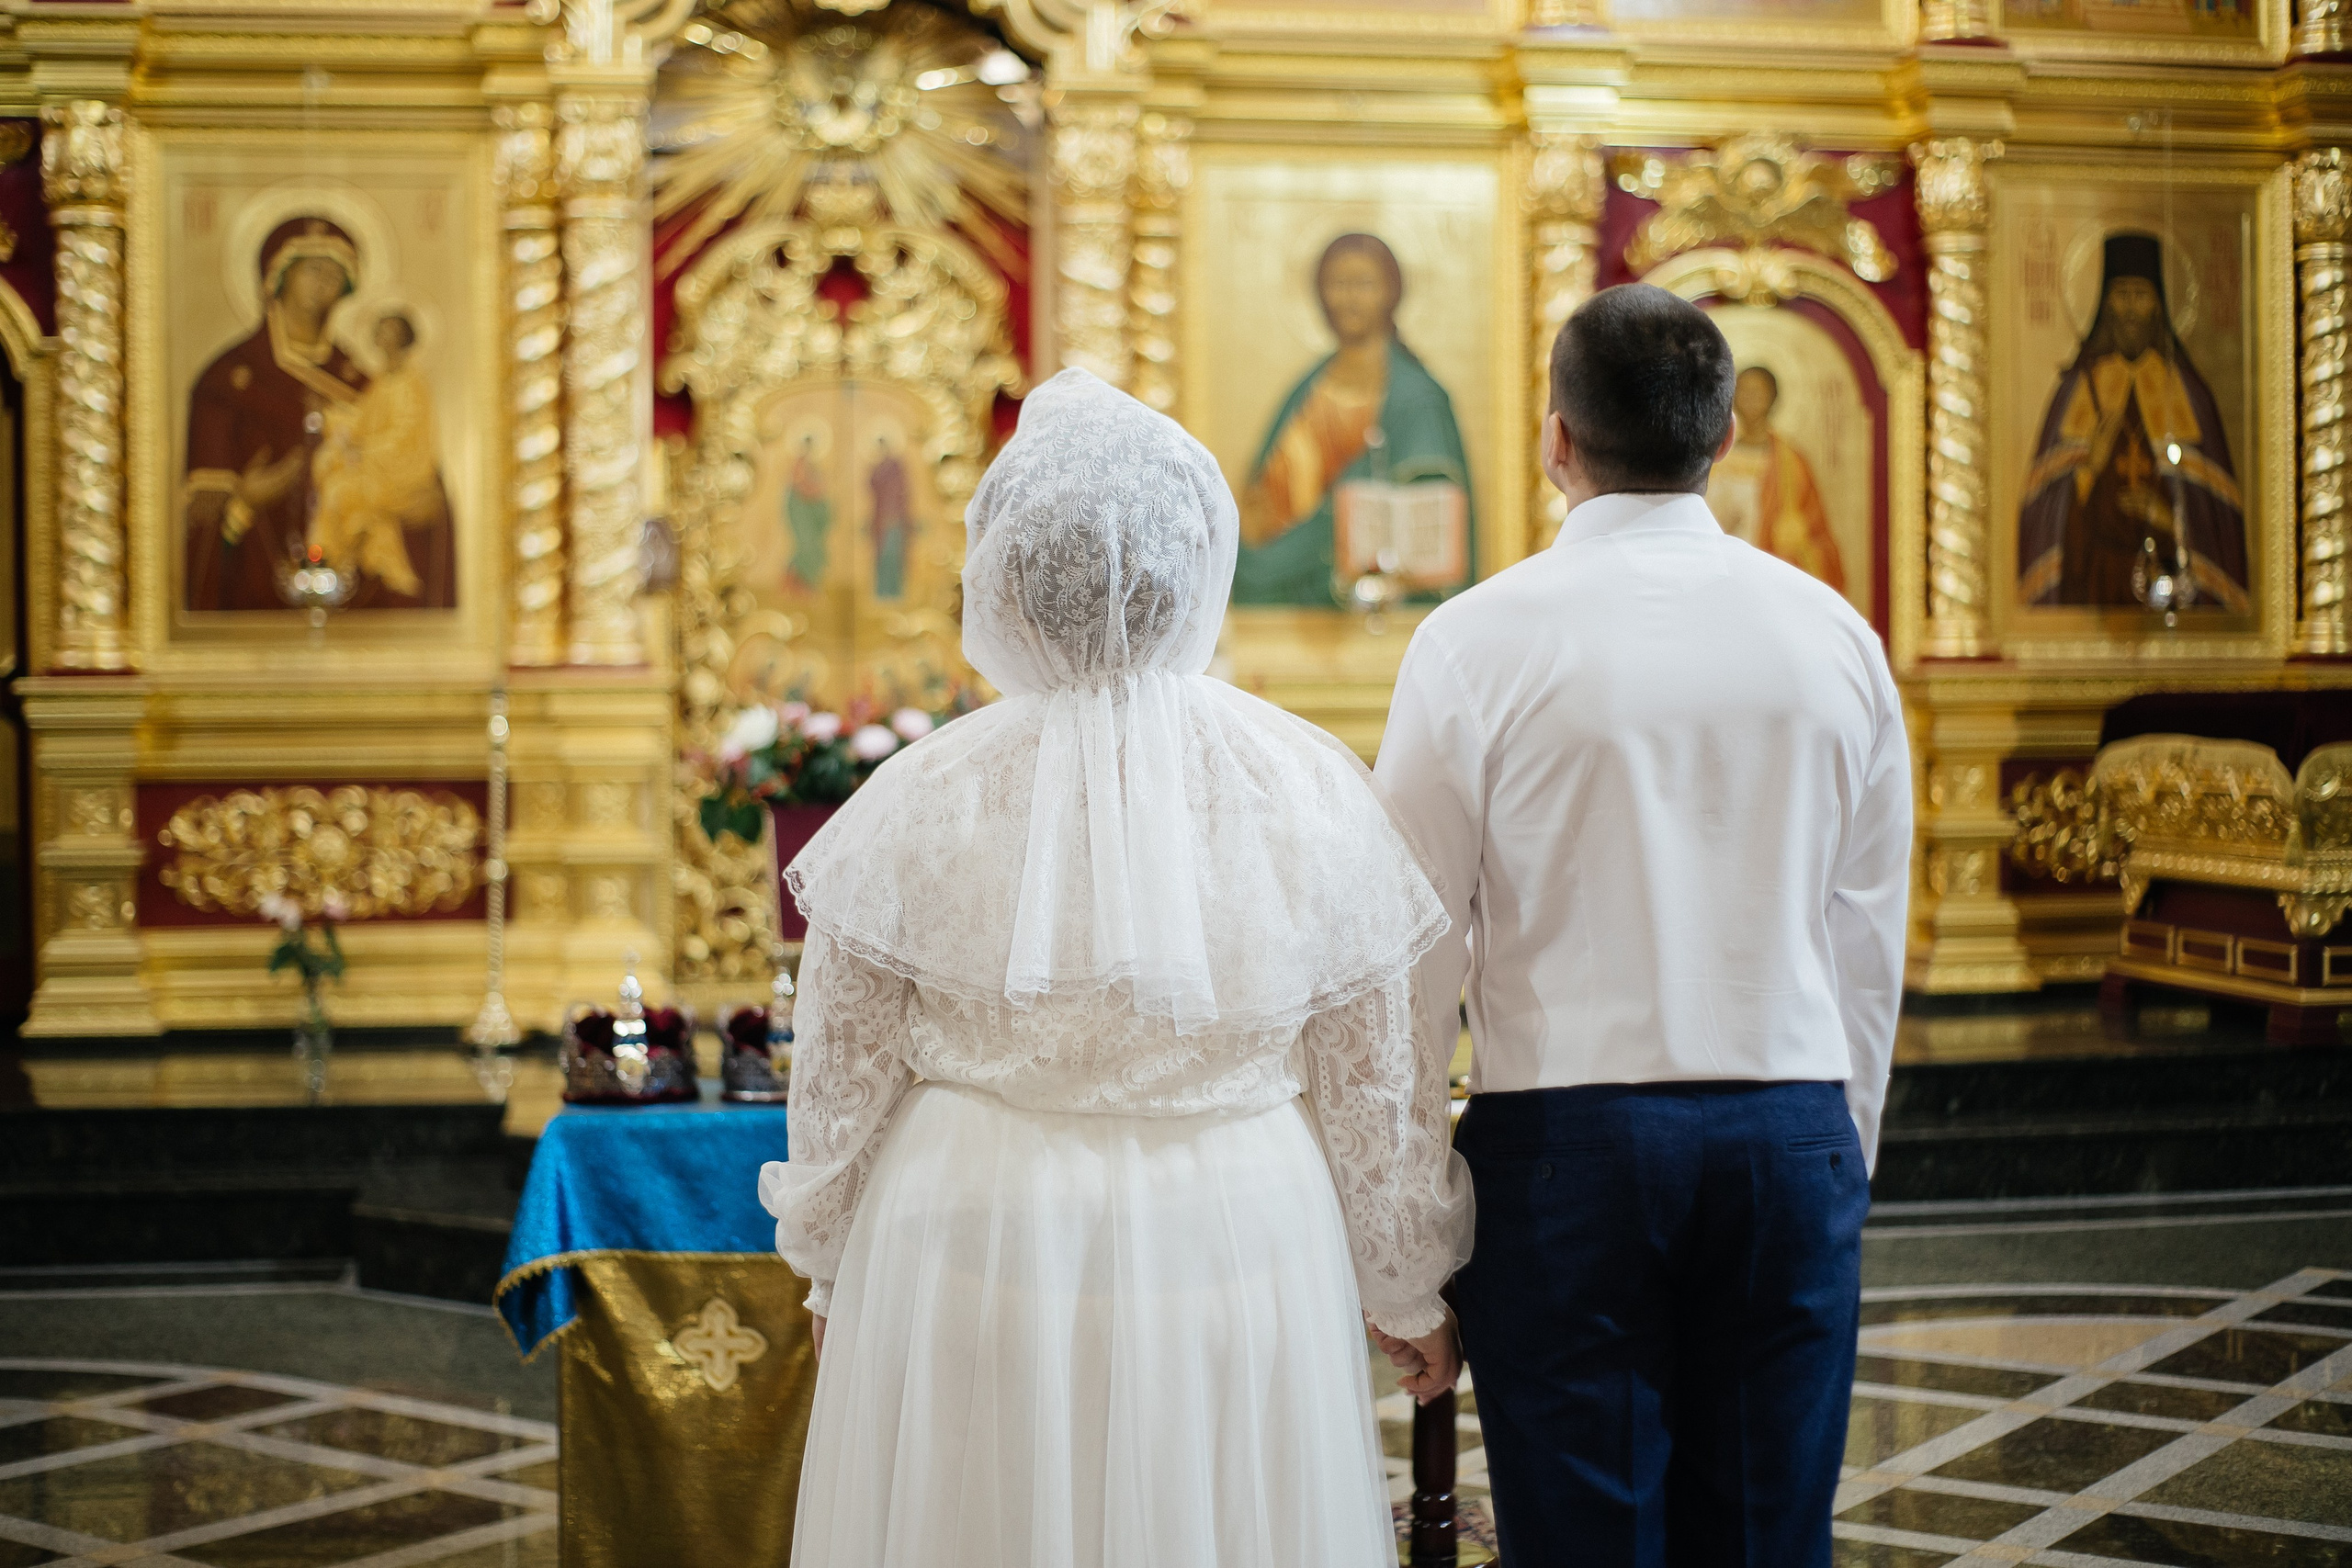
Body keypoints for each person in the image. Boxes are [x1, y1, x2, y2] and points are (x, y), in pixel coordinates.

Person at [761, 367, 1472, 1567]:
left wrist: (828, 1265)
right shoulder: (1303, 784)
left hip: (967, 1230)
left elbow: (837, 1074)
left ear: (1003, 580)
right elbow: (1371, 1079)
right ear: (1197, 568)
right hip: (1239, 1228)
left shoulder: (918, 793)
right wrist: (1405, 1289)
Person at [1374, 284, 1910, 1565]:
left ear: (1555, 438)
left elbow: (1412, 953)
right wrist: (1841, 1146)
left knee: (1586, 1538)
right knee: (1770, 1533)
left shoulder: (1473, 642)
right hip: (1790, 1124)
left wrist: (1406, 1242)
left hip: (1566, 1148)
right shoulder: (1835, 636)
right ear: (1723, 437)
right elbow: (1865, 934)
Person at [182, 216, 456, 612]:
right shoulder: (228, 380)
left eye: (334, 274)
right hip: (252, 591)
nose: (323, 283)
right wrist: (245, 501)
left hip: (359, 599)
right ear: (278, 276)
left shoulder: (361, 381)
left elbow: (416, 473)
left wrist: (415, 503)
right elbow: (198, 524)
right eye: (312, 269)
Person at [1235, 232, 1473, 606]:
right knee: (1249, 575)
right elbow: (1265, 495)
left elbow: (1433, 507)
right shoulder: (1312, 385)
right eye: (1337, 284)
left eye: (1364, 284)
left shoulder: (1417, 397)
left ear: (1391, 293)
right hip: (1298, 557)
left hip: (1380, 573)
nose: (1349, 299)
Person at [2018, 231, 2247, 611]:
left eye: (2141, 296)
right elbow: (2045, 516)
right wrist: (2089, 469)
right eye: (2121, 294)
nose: (2129, 309)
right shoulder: (2078, 388)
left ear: (2159, 306)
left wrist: (2166, 517)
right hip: (2094, 583)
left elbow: (2216, 520)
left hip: (2171, 590)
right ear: (2105, 303)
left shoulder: (2190, 394)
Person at [307, 310, 442, 599]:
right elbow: (363, 420)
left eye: (389, 329)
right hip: (377, 463)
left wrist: (364, 451)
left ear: (403, 338)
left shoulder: (410, 382)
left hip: (404, 470)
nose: (381, 335)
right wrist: (330, 416)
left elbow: (406, 436)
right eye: (379, 329)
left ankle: (332, 566)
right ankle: (334, 568)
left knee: (339, 492)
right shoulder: (383, 381)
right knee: (327, 462)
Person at [1707, 365, 1846, 592]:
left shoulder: (1791, 463)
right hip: (1724, 568)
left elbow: (1815, 527)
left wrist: (1794, 535)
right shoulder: (1718, 458)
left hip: (1768, 571)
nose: (1751, 399)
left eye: (1758, 392)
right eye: (1744, 391)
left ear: (1773, 398)